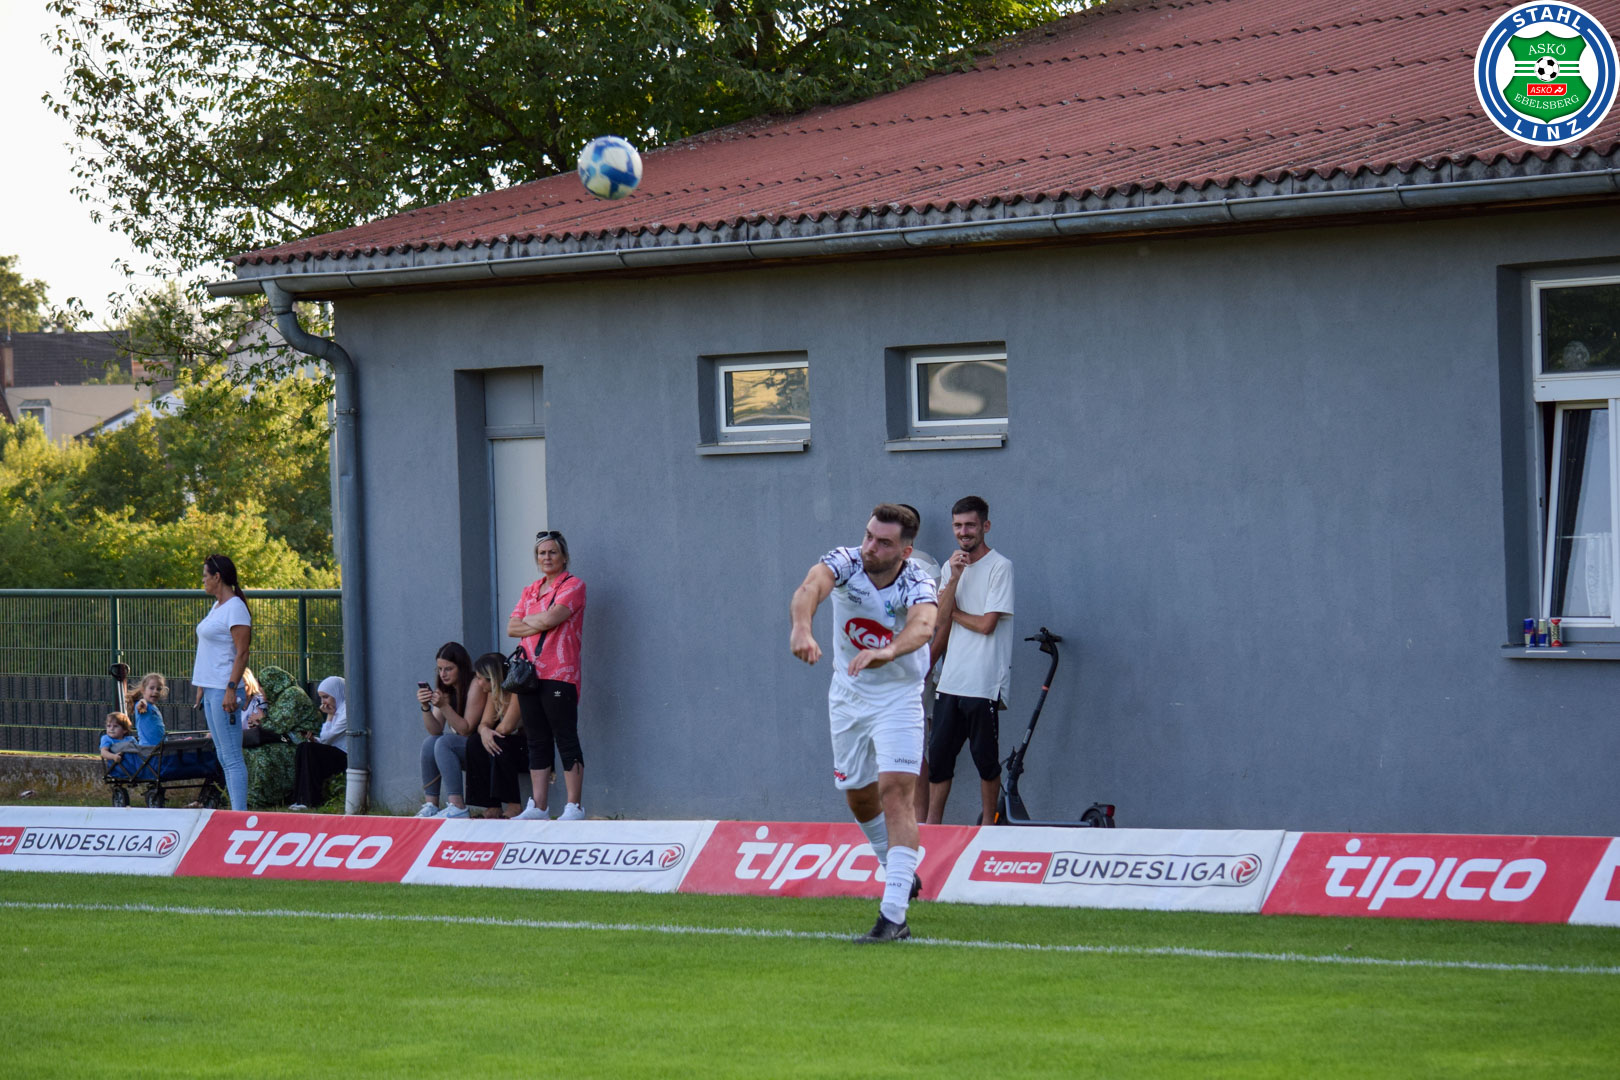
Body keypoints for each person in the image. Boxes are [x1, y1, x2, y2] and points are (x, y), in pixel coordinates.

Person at [790, 503, 937, 943]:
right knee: (858, 795)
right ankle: (897, 869)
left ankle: (893, 917)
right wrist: (802, 627)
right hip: (849, 695)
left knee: (896, 792)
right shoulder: (847, 560)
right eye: (869, 535)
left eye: (883, 542)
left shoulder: (917, 580)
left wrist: (888, 651)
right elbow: (810, 586)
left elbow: (924, 626)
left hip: (899, 697)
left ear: (905, 551)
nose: (870, 546)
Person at [927, 495, 1014, 827]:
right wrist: (954, 578)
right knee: (939, 760)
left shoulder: (1000, 567)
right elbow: (939, 621)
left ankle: (989, 828)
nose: (964, 532)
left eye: (970, 525)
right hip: (951, 680)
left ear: (985, 526)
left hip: (984, 681)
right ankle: (933, 829)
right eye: (958, 526)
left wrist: (953, 611)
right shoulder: (950, 567)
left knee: (986, 762)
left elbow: (987, 624)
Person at [508, 530, 588, 821]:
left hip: (560, 672)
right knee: (536, 739)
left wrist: (532, 621)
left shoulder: (573, 585)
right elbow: (511, 628)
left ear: (564, 556)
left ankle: (574, 806)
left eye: (553, 552)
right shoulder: (530, 589)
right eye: (542, 553)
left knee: (565, 736)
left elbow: (554, 617)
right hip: (528, 674)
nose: (547, 557)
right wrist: (540, 621)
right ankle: (539, 807)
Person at [191, 553, 252, 811]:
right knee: (223, 755)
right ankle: (236, 810)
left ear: (217, 577)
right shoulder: (217, 606)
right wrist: (202, 685)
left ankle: (240, 815)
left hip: (224, 690)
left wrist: (231, 689)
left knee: (232, 756)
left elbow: (242, 653)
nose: (203, 580)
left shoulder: (235, 607)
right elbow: (211, 649)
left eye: (205, 576)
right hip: (211, 688)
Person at [900, 503, 943, 824]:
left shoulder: (924, 566)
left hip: (913, 669)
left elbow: (939, 623)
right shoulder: (871, 565)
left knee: (912, 744)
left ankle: (921, 822)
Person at [415, 643, 477, 818]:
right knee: (430, 743)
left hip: (482, 748)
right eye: (440, 669)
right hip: (464, 748)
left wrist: (444, 706)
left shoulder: (475, 684)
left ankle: (458, 806)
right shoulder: (446, 690)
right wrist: (425, 706)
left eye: (449, 669)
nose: (443, 674)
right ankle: (431, 805)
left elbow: (466, 730)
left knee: (445, 742)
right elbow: (435, 730)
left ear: (461, 668)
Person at [464, 652, 529, 819]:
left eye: (480, 678)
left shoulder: (516, 690)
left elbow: (507, 727)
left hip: (530, 748)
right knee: (475, 742)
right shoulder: (494, 692)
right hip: (511, 745)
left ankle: (514, 805)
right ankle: (492, 805)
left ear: (492, 678)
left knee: (498, 742)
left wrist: (487, 735)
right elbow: (484, 723)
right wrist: (484, 732)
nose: (478, 683)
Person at [289, 676, 347, 811]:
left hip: (346, 756)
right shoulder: (338, 709)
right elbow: (327, 739)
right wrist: (315, 740)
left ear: (337, 693)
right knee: (303, 747)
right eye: (321, 698)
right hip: (336, 751)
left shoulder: (346, 712)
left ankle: (310, 800)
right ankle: (299, 798)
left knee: (309, 750)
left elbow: (327, 739)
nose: (323, 703)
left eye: (326, 697)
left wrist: (329, 717)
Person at [121, 672, 168, 747]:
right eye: (151, 688)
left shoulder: (154, 707)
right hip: (147, 747)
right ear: (143, 690)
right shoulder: (143, 705)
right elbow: (140, 704)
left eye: (159, 689)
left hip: (159, 747)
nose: (155, 691)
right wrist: (142, 703)